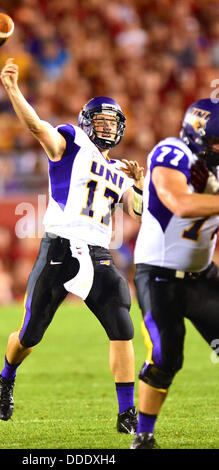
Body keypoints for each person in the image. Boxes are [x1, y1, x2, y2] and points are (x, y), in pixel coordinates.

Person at [0, 58, 145, 435]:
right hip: (59, 248)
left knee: (122, 325)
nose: (107, 127)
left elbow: (138, 211)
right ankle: (7, 375)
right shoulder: (71, 142)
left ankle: (127, 414)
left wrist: (139, 183)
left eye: (113, 122)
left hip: (98, 252)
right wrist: (13, 89)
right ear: (86, 123)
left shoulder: (120, 173)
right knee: (30, 334)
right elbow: (35, 126)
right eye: (101, 121)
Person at [131, 98, 219, 449]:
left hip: (202, 275)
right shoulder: (173, 151)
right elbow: (180, 203)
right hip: (159, 276)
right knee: (167, 355)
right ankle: (144, 436)